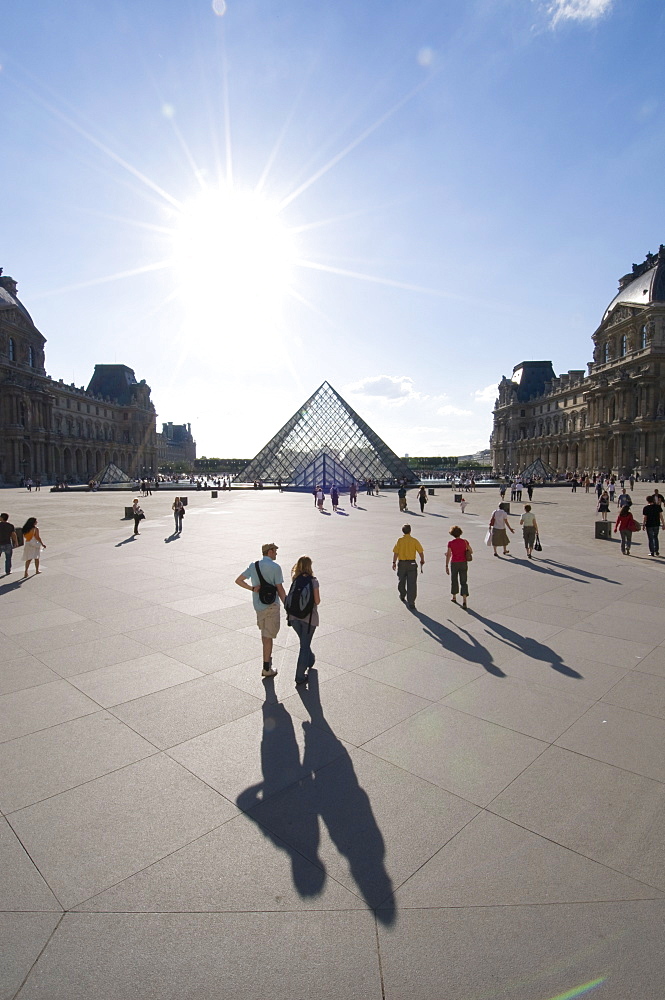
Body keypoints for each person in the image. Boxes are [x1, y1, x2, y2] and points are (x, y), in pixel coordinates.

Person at [235, 543, 287, 677]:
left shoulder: (254, 566)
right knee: (268, 636)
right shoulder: (275, 567)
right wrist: (288, 605)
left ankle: (267, 658)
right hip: (271, 606)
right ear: (269, 552)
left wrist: (252, 588)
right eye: (275, 551)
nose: (276, 553)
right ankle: (266, 668)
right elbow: (280, 589)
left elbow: (239, 580)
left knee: (265, 634)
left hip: (258, 606)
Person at [286, 556, 320, 686]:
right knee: (304, 646)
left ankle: (310, 661)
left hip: (294, 618)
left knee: (304, 642)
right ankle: (299, 676)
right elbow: (317, 601)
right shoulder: (313, 581)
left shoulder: (295, 580)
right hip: (308, 619)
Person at [392, 524, 424, 608]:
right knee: (412, 583)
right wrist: (422, 559)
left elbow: (396, 552)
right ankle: (411, 602)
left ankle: (402, 594)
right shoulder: (414, 540)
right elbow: (420, 551)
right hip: (412, 563)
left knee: (401, 580)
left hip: (402, 563)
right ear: (410, 531)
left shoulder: (400, 540)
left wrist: (394, 562)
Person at [446, 525, 471, 609]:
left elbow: (449, 555)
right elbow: (471, 551)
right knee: (464, 581)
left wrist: (446, 565)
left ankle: (454, 596)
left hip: (454, 563)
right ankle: (464, 599)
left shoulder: (451, 543)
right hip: (463, 562)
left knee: (454, 579)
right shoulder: (465, 542)